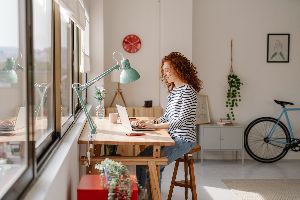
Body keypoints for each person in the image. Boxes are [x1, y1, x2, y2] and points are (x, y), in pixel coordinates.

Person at [136, 52, 202, 198]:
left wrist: (155, 127)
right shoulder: (174, 91)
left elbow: (181, 121)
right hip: (170, 137)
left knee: (156, 164)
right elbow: (167, 116)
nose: (164, 74)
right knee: (141, 159)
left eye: (167, 69)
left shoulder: (188, 91)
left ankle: (154, 197)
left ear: (178, 68)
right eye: (163, 70)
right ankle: (141, 194)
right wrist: (151, 122)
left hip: (184, 140)